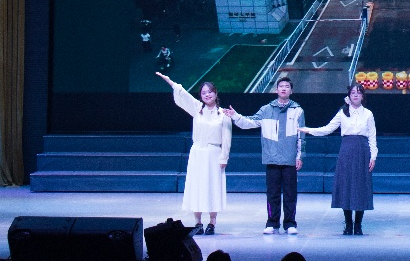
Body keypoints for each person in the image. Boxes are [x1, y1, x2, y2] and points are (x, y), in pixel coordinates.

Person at [225, 76, 305, 235]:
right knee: (272, 193)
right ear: (276, 90)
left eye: (287, 86)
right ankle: (272, 223)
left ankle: (290, 223)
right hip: (272, 158)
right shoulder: (266, 110)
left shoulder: (298, 110)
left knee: (290, 194)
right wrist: (235, 116)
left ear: (291, 90)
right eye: (281, 86)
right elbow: (249, 123)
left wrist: (299, 156)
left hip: (290, 159)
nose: (283, 88)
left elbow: (301, 136)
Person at [299, 81, 378, 235]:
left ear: (363, 96)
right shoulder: (343, 113)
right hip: (346, 151)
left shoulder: (368, 114)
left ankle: (358, 225)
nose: (355, 95)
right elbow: (327, 129)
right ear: (349, 96)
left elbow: (372, 137)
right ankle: (348, 224)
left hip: (362, 151)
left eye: (358, 92)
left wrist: (373, 156)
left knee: (360, 186)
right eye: (353, 92)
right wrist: (309, 130)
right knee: (346, 186)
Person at [157, 72, 231, 234]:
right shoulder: (197, 109)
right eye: (204, 93)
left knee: (213, 187)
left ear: (216, 93)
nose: (207, 95)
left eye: (210, 92)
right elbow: (183, 95)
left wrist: (224, 157)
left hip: (214, 154)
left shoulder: (223, 114)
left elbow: (226, 138)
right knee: (197, 186)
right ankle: (197, 222)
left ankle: (212, 222)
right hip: (198, 153)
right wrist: (170, 82)